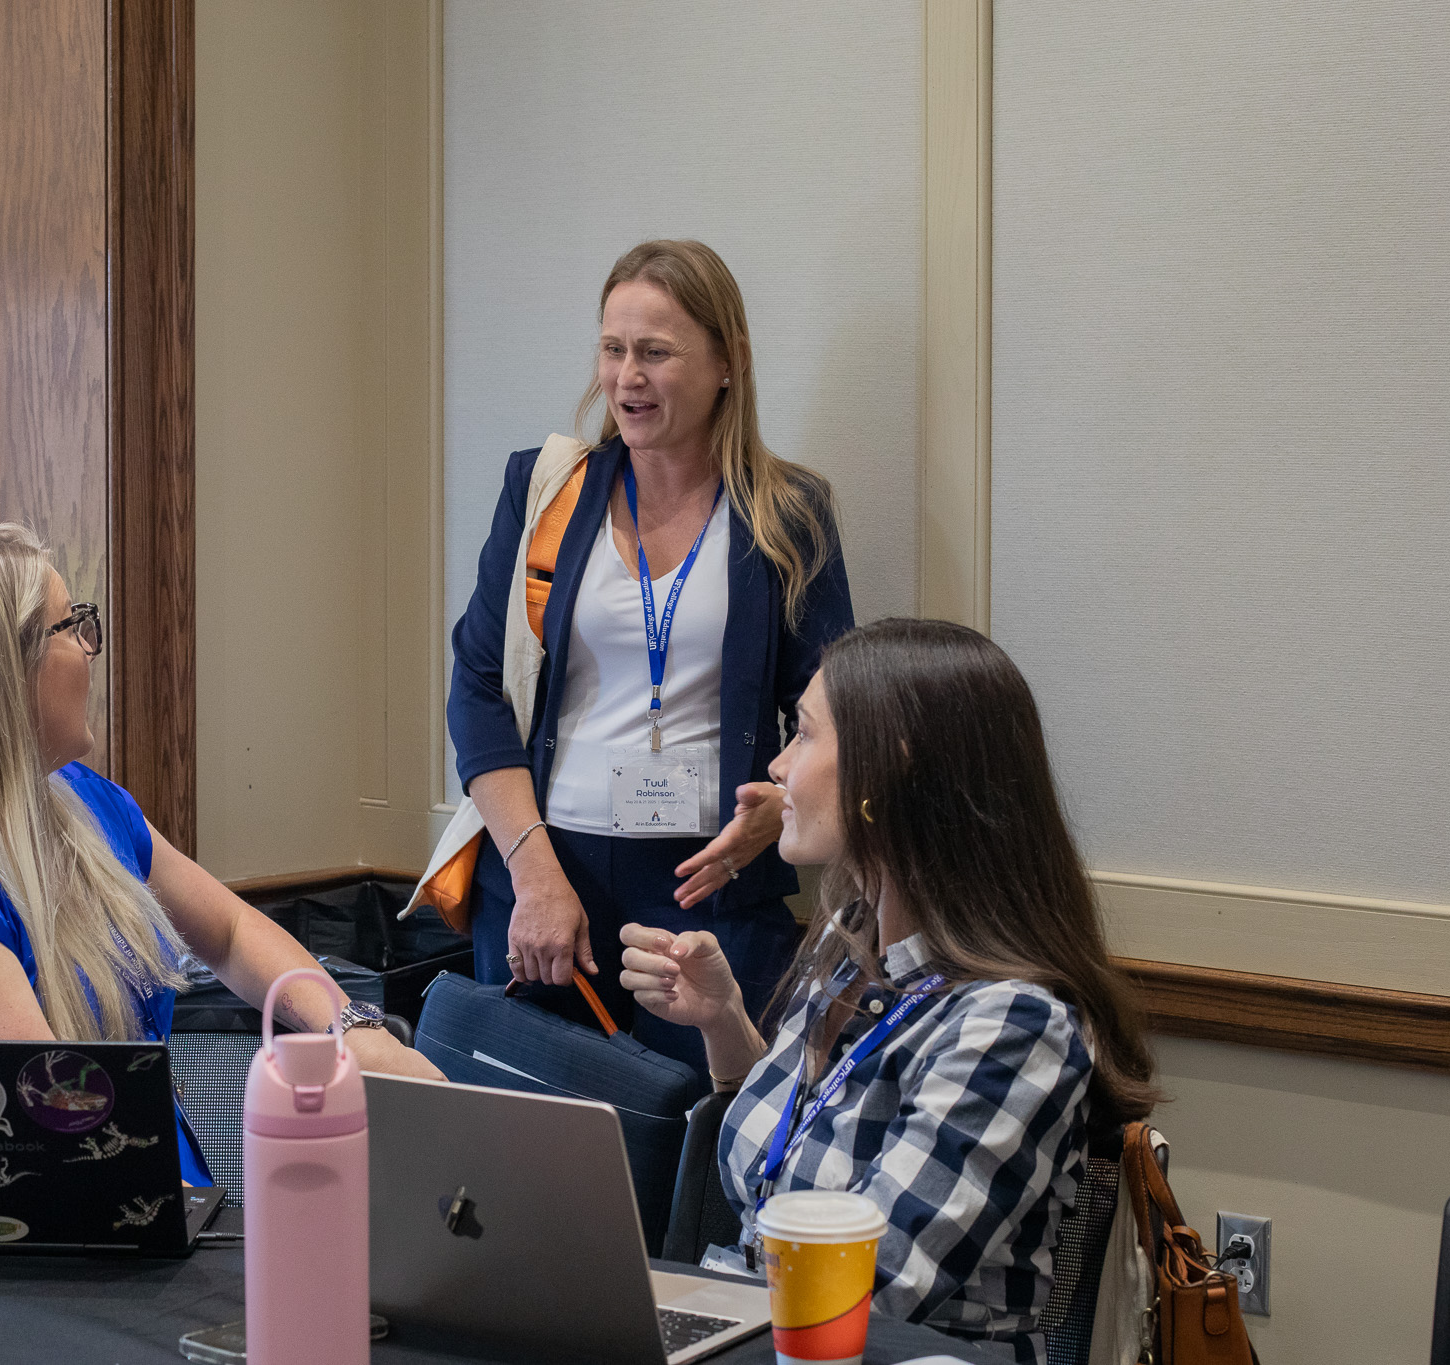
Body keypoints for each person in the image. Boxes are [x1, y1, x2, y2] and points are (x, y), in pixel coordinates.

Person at [0, 525, 441, 1186]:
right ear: (0, 672)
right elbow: (57, 1148)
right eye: (71, 625)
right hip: (75, 1250)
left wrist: (352, 1028)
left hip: (152, 1215)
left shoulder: (81, 803)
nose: (91, 647)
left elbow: (230, 933)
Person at [619, 619, 1158, 1364]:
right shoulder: (856, 944)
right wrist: (723, 1020)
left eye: (803, 735)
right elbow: (803, 1149)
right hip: (755, 1333)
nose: (778, 764)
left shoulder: (1014, 1024)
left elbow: (860, 1286)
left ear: (889, 770)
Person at [447, 238, 856, 1069]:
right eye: (613, 348)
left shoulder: (788, 512)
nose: (627, 376)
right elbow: (478, 689)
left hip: (710, 885)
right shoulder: (547, 491)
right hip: (542, 872)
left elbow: (839, 708)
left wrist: (780, 806)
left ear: (727, 363)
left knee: (699, 1151)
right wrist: (534, 876)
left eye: (656, 353)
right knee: (536, 1159)